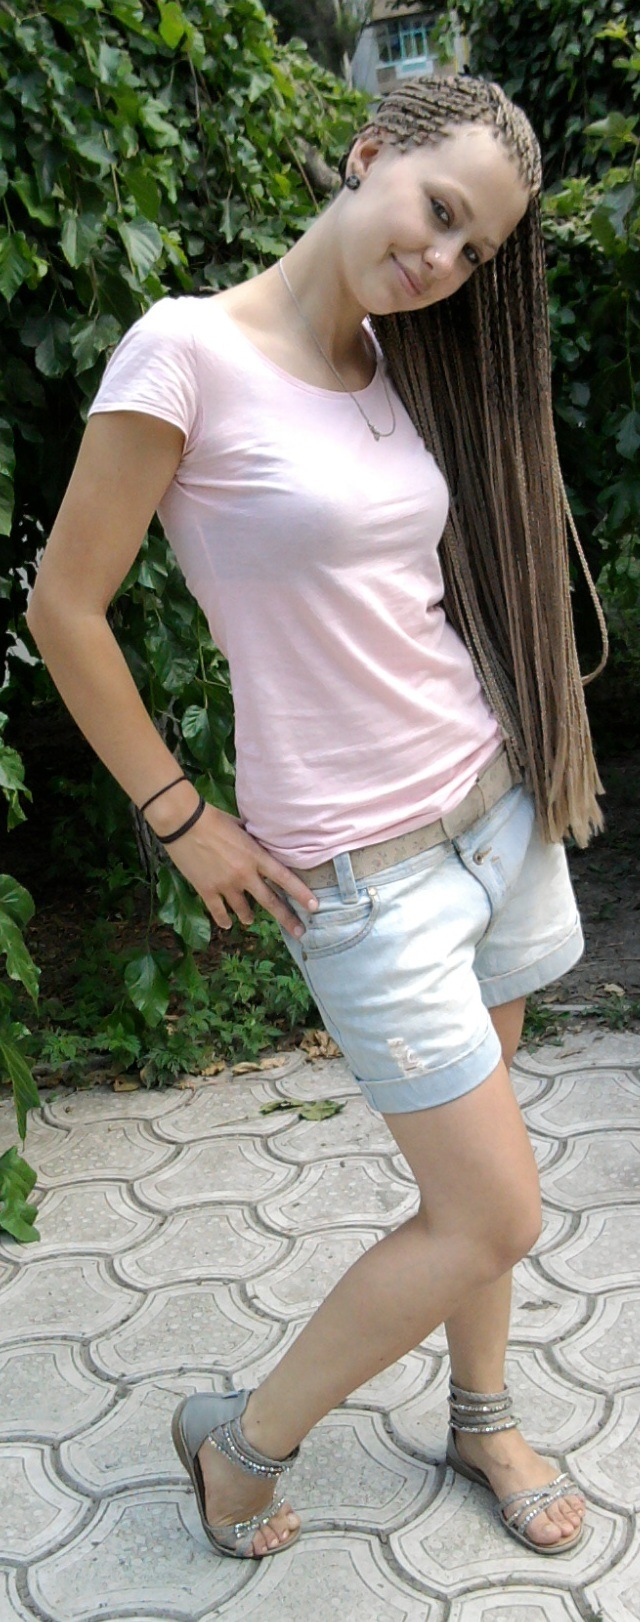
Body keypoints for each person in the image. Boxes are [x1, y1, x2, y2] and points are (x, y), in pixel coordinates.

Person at [26, 73, 605, 1563]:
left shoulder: (400, 364)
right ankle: (243, 1442)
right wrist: (179, 816)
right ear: (367, 153)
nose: (443, 259)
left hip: (493, 807)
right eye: (439, 211)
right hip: (361, 871)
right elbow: (64, 605)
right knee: (495, 1212)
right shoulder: (185, 350)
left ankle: (483, 1414)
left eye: (474, 248)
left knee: (483, 1177)